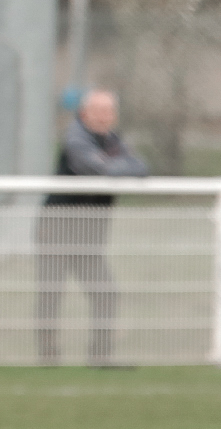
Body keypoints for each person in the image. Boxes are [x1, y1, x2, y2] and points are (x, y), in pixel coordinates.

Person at [36, 89, 147, 365]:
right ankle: (48, 359)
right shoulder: (75, 138)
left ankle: (100, 358)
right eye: (99, 110)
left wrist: (117, 166)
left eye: (109, 111)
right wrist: (118, 167)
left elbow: (141, 167)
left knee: (105, 293)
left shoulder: (113, 140)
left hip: (88, 235)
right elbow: (96, 169)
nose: (105, 117)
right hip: (57, 229)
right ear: (84, 113)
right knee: (51, 294)